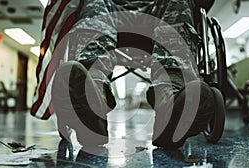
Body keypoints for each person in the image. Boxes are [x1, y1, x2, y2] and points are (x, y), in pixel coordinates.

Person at [31, 0, 215, 149]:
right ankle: (92, 99)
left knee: (178, 2)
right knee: (93, 3)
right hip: (111, 8)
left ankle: (170, 99)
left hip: (159, 9)